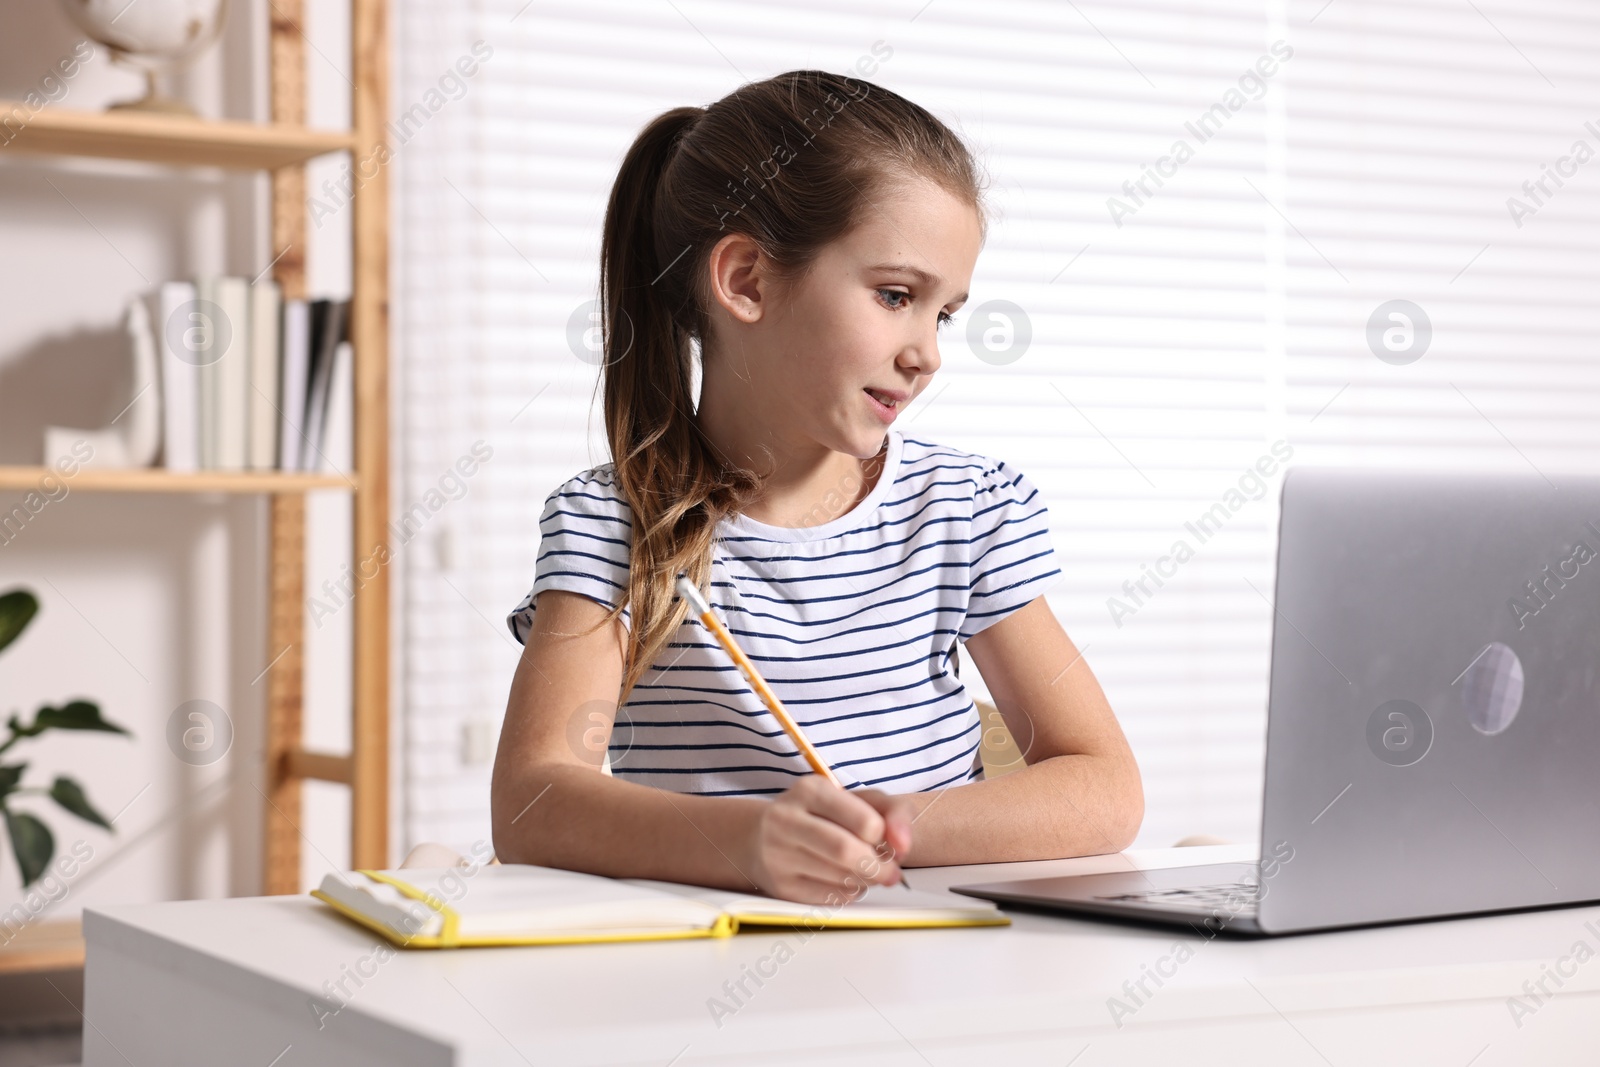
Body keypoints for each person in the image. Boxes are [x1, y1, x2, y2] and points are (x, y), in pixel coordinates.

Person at [491, 70, 1141, 905]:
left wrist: (894, 825)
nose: (927, 352)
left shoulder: (965, 508)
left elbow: (1104, 783)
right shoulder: (612, 524)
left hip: (935, 970)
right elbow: (531, 800)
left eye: (942, 314)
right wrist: (750, 843)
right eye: (896, 296)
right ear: (747, 281)